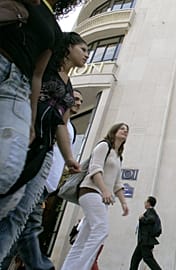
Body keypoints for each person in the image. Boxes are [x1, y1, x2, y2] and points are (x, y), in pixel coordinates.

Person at [0, 0, 82, 263]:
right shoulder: (48, 68)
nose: (87, 54)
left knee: (21, 211)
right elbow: (34, 81)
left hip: (43, 144)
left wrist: (69, 158)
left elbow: (62, 124)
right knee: (8, 182)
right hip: (23, 128)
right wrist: (31, 117)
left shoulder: (69, 90)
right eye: (84, 48)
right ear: (68, 48)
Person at [0, 89, 84, 270]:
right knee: (26, 227)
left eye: (81, 101)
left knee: (22, 230)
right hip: (37, 178)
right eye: (76, 99)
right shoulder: (54, 119)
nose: (78, 103)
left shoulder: (71, 128)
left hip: (47, 186)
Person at [61, 123, 130, 270]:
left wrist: (123, 202)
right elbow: (95, 169)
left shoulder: (118, 156)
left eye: (127, 130)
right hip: (90, 192)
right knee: (101, 230)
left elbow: (117, 183)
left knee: (83, 238)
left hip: (102, 198)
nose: (125, 131)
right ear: (114, 131)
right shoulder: (103, 146)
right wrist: (104, 190)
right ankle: (81, 267)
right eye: (122, 128)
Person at [129, 196, 163, 270]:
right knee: (135, 260)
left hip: (146, 241)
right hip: (143, 241)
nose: (144, 203)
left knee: (148, 259)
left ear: (148, 203)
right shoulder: (149, 212)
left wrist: (142, 218)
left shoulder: (151, 212)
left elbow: (152, 219)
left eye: (145, 202)